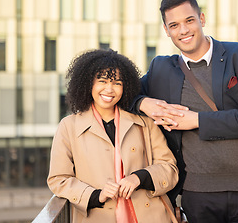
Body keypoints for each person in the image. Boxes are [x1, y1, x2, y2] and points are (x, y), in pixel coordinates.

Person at [131, 0, 238, 223]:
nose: (183, 30)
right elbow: (121, 95)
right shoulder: (161, 68)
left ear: (201, 19)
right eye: (174, 25)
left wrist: (197, 120)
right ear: (166, 31)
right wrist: (143, 102)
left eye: (189, 20)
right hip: (198, 194)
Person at [47, 49, 178, 223]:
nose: (109, 89)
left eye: (117, 83)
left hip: (151, 215)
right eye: (102, 81)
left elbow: (169, 168)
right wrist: (95, 195)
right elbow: (59, 179)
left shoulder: (144, 122)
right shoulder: (69, 126)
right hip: (97, 216)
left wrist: (139, 177)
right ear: (88, 84)